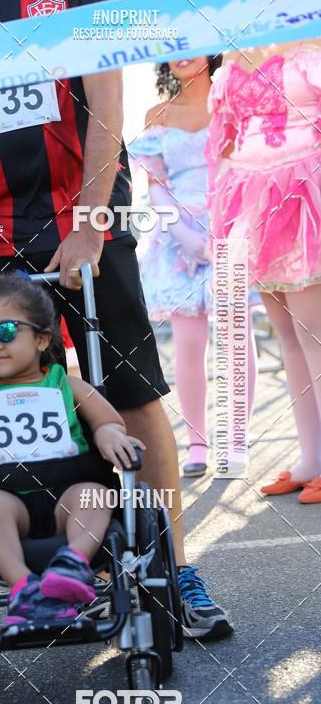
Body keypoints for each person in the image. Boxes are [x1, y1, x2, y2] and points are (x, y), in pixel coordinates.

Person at [0, 0, 233, 639]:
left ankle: (170, 567)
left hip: (85, 213)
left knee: (133, 394)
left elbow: (106, 99)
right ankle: (23, 566)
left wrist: (88, 222)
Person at [0, 275, 144, 625]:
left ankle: (72, 565)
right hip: (5, 498)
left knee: (95, 495)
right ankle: (25, 588)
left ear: (42, 338)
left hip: (68, 495)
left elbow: (110, 422)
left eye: (7, 332)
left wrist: (108, 435)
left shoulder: (67, 384)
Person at [208, 0, 321, 503]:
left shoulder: (313, 36)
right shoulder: (232, 52)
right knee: (284, 334)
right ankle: (310, 457)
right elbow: (222, 139)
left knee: (314, 330)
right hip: (250, 202)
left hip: (304, 193)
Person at [132, 57, 258, 477]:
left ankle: (235, 441)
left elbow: (248, 169)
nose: (183, 54)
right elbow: (156, 185)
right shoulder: (157, 115)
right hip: (178, 241)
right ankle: (198, 443)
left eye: (192, 45)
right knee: (188, 342)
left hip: (234, 228)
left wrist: (230, 234)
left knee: (237, 339)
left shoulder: (231, 103)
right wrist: (185, 235)